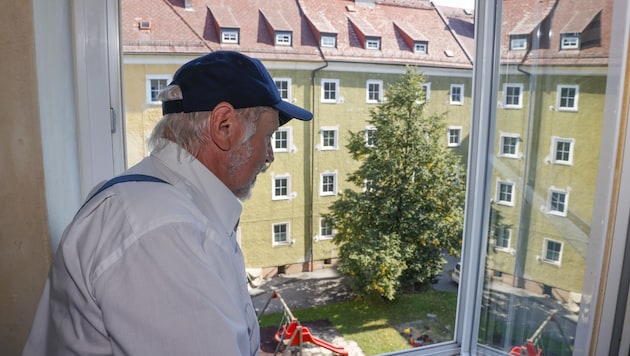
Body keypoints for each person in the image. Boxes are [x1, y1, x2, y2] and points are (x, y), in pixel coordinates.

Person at [22, 51, 313, 355]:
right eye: (267, 137)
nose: (269, 155)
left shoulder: (166, 204)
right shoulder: (163, 233)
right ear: (223, 126)